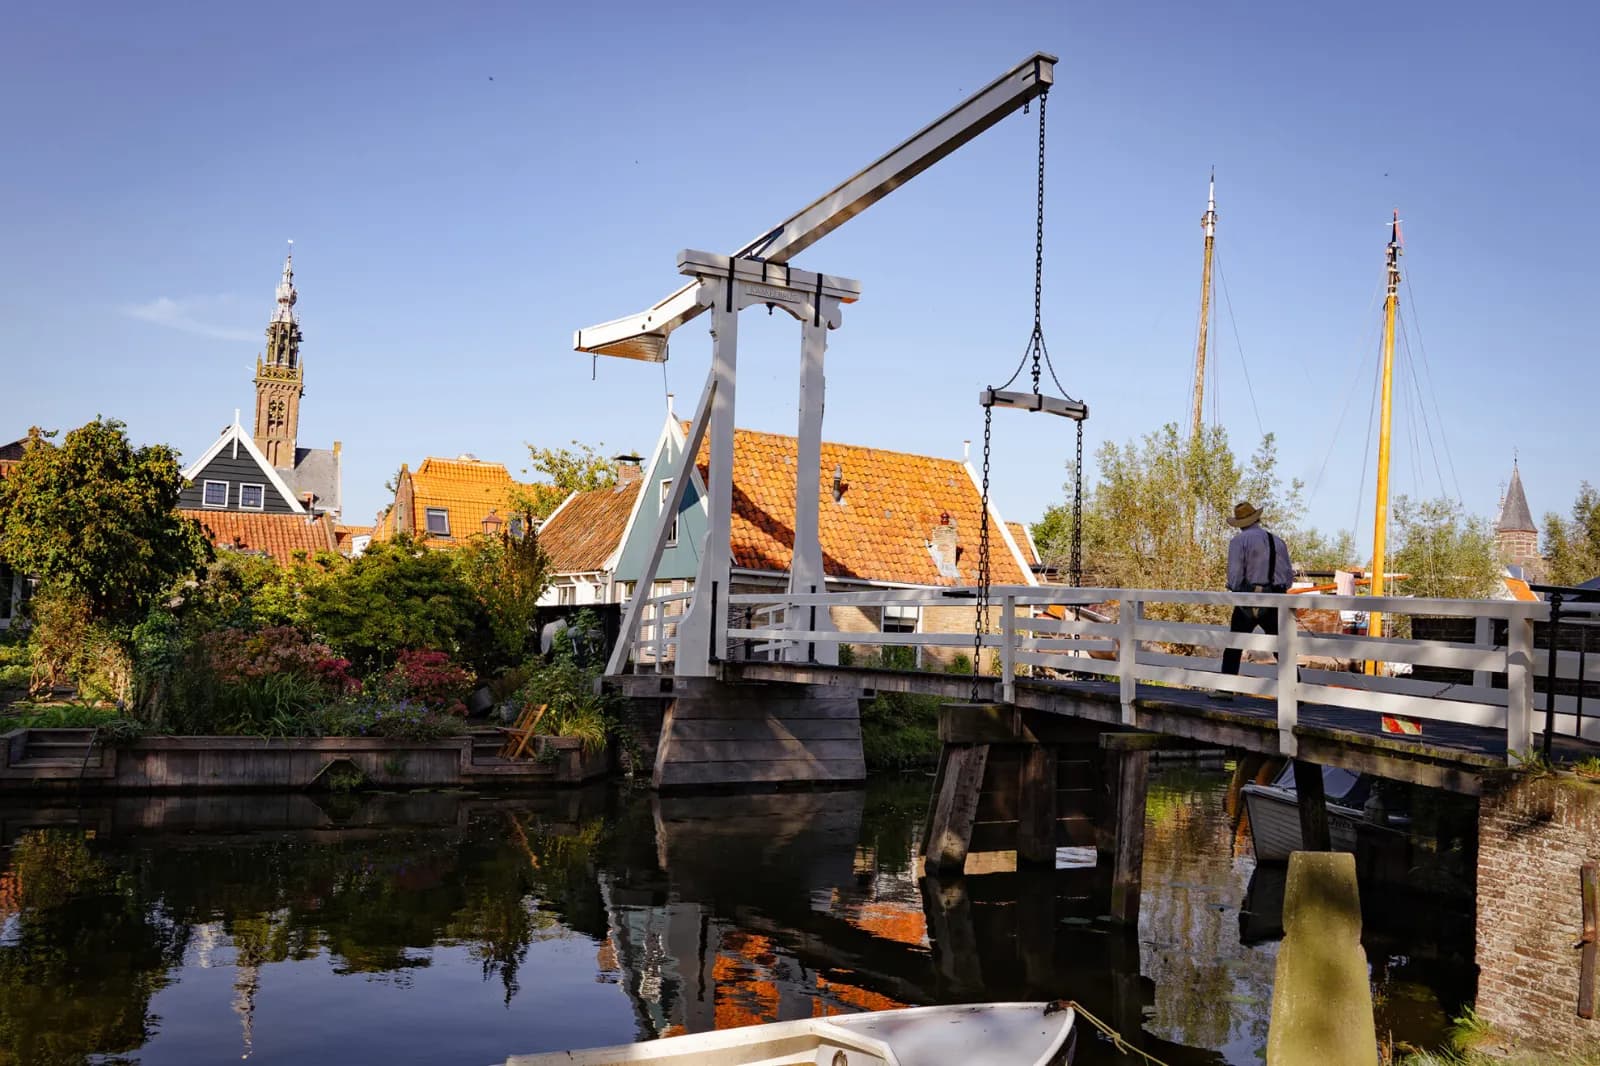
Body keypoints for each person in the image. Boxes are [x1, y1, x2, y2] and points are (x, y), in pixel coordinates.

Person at [1216, 500, 1296, 696]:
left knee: (1234, 645)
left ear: (1240, 523)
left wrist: (1235, 589)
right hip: (1276, 598)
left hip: (1249, 599)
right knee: (1281, 648)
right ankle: (1296, 691)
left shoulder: (1239, 541)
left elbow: (1234, 576)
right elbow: (1288, 577)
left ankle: (1226, 690)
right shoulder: (1277, 541)